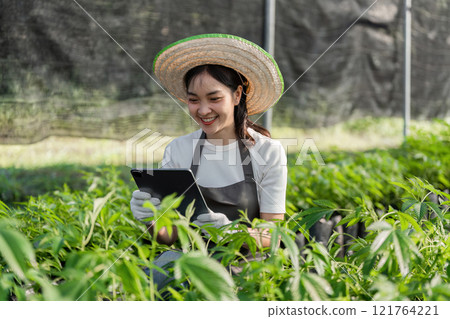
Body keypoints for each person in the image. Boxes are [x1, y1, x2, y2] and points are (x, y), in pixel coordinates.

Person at [130, 33, 287, 289]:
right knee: (160, 270)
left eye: (214, 99)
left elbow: (275, 234)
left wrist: (234, 234)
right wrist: (151, 218)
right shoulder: (179, 150)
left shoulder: (268, 152)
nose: (203, 110)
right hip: (192, 264)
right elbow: (169, 237)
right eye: (194, 100)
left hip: (247, 267)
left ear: (237, 96)